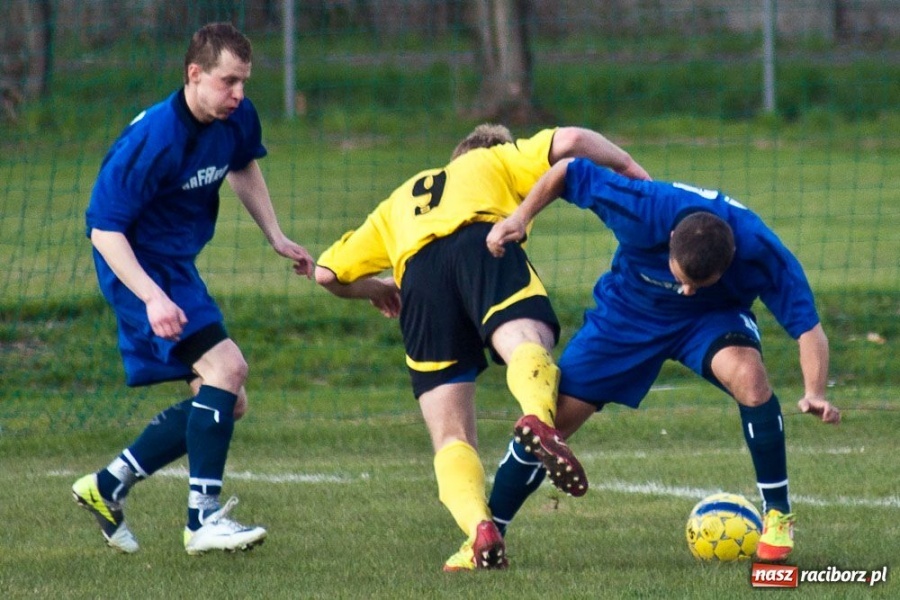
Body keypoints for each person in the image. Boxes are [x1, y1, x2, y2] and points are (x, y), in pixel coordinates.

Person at [314, 123, 651, 571]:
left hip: (418, 279)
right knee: (526, 343)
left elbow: (326, 274)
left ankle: (478, 529)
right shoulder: (494, 158)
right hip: (481, 245)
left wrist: (377, 289)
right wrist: (628, 166)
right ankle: (537, 414)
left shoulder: (398, 201)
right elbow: (569, 141)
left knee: (450, 435)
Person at [484, 156, 841, 562]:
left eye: (697, 283)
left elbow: (809, 329)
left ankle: (777, 514)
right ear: (669, 238)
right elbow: (569, 170)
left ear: (730, 262)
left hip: (711, 318)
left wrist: (815, 392)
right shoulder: (644, 208)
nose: (686, 289)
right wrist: (519, 216)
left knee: (750, 377)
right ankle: (488, 533)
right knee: (550, 424)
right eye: (681, 278)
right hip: (628, 314)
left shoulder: (762, 251)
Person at [73, 22, 314, 555]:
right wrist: (152, 297)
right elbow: (104, 229)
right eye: (229, 81)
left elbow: (243, 163)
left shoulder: (235, 116)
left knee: (229, 400)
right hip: (135, 268)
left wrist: (275, 235)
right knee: (227, 370)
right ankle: (201, 519)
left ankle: (107, 486)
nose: (240, 94)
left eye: (245, 82)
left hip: (175, 267)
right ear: (194, 74)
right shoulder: (153, 138)